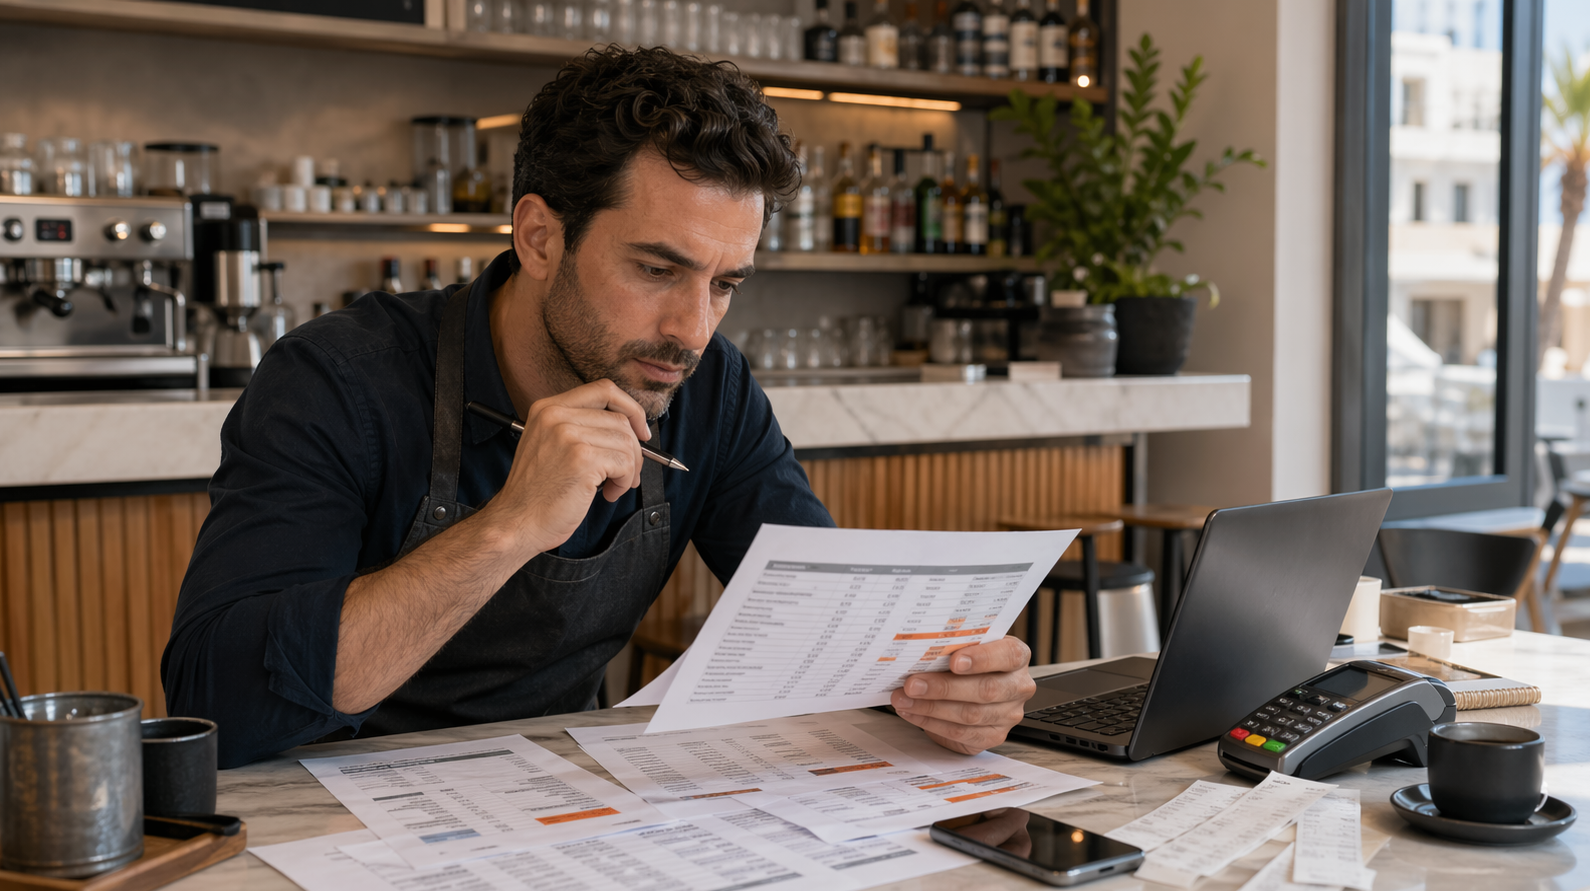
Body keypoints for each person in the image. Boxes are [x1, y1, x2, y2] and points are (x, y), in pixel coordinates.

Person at [163, 46, 1036, 769]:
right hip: (320, 815)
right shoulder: (338, 379)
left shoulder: (710, 387)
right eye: (656, 269)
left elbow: (824, 619)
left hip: (560, 797)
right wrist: (508, 527)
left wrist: (942, 684)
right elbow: (219, 704)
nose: (689, 330)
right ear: (540, 236)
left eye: (724, 283)